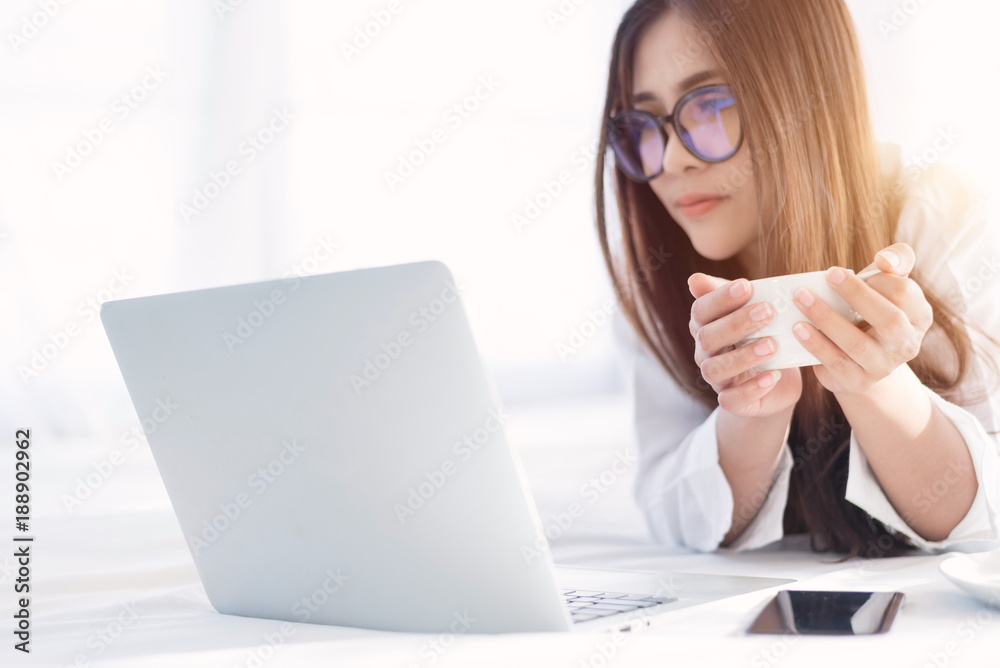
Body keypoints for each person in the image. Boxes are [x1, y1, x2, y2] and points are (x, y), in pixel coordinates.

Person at [594, 0, 1000, 557]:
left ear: (808, 99)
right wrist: (752, 416)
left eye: (711, 105)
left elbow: (984, 517)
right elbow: (677, 519)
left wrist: (876, 383)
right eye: (644, 124)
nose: (669, 160)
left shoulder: (942, 216)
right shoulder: (654, 275)